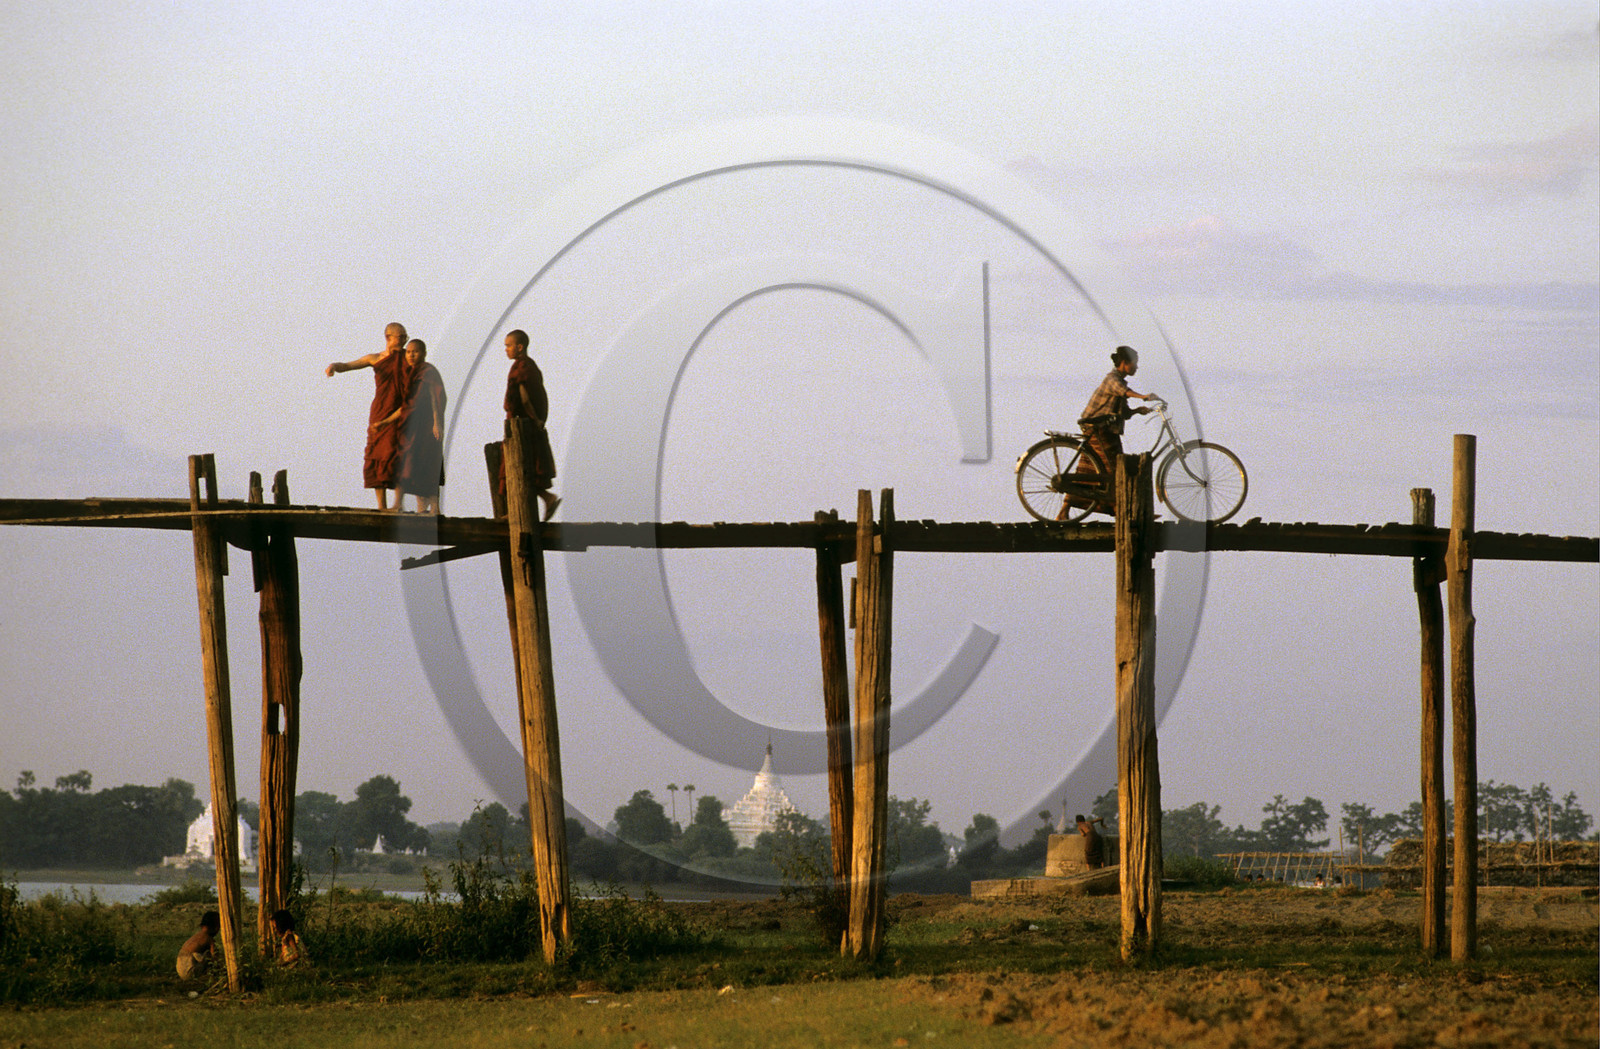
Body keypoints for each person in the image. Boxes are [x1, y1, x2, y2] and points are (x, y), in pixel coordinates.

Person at [326, 322, 410, 510]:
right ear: (388, 337)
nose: (404, 341)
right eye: (401, 337)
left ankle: (398, 504)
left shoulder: (408, 357)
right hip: (381, 410)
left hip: (401, 411)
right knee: (377, 453)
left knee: (399, 453)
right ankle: (381, 505)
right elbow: (348, 365)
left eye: (406, 337)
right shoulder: (375, 358)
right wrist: (333, 366)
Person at [1069, 345, 1157, 517]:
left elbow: (1123, 411)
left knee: (1089, 470)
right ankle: (1119, 508)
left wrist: (1137, 410)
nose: (1136, 367)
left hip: (1105, 429)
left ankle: (1065, 511)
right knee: (1116, 470)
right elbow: (1123, 392)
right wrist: (1144, 396)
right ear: (1124, 363)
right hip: (1097, 428)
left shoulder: (1120, 381)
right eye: (1134, 363)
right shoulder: (1112, 379)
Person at [379, 339, 447, 514]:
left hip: (425, 428)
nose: (411, 355)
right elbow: (406, 406)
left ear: (423, 353)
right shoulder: (410, 373)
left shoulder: (428, 372)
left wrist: (436, 422)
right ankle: (398, 504)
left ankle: (435, 508)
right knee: (405, 464)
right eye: (408, 352)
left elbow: (435, 397)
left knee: (428, 465)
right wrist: (384, 422)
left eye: (415, 352)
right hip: (409, 427)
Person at [502, 329, 560, 521]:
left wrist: (535, 420)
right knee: (521, 471)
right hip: (522, 425)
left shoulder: (523, 368)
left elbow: (525, 398)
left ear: (520, 347)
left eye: (509, 346)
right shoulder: (526, 366)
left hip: (523, 427)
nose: (506, 350)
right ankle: (543, 500)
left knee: (518, 470)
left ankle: (519, 512)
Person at [176, 910, 220, 980]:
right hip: (189, 972)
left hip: (180, 970)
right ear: (215, 927)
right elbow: (215, 959)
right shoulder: (209, 939)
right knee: (209, 955)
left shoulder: (196, 936)